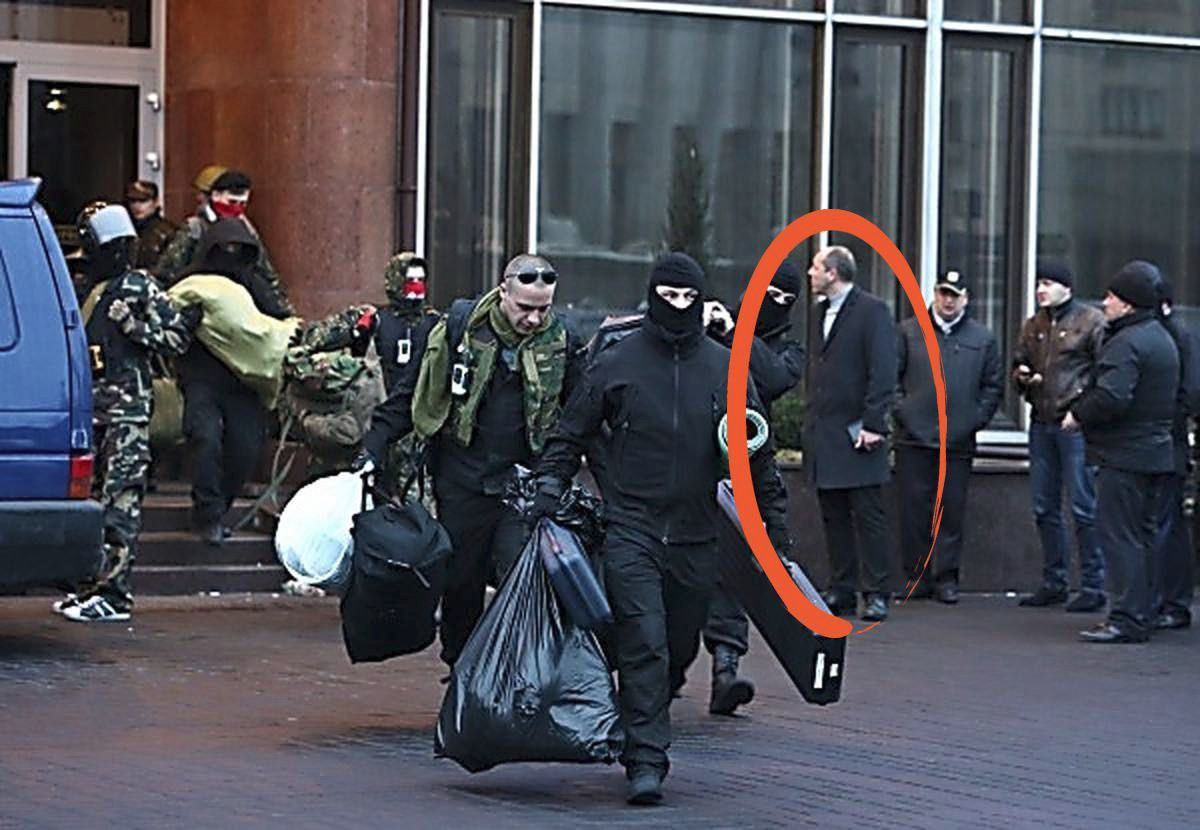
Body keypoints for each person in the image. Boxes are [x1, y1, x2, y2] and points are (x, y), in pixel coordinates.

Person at [533, 252, 791, 805]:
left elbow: (759, 457)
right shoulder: (617, 362)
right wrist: (550, 481)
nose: (678, 307)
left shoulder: (725, 369)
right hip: (633, 525)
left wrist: (776, 534)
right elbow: (570, 431)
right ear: (652, 296)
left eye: (687, 297)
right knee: (643, 639)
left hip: (698, 531)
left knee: (677, 643)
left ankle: (649, 704)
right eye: (668, 296)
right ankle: (645, 760)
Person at [360, 253, 583, 669]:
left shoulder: (563, 341)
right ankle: (460, 665)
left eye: (543, 310)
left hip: (524, 483)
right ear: (503, 293)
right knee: (461, 582)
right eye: (525, 308)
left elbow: (581, 415)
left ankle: (510, 670)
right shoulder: (460, 329)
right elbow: (412, 394)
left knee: (520, 578)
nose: (534, 319)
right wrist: (373, 447)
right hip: (463, 479)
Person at [55, 202, 201, 622]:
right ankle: (92, 587)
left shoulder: (138, 286)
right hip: (94, 413)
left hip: (127, 414)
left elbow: (178, 338)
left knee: (120, 503)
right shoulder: (93, 288)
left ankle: (115, 595)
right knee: (98, 503)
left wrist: (135, 328)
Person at [700, 260, 805, 715]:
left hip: (743, 460)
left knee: (731, 570)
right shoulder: (713, 327)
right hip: (689, 458)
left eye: (784, 299)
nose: (774, 305)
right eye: (769, 294)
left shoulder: (787, 350)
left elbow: (773, 379)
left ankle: (725, 668)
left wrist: (735, 333)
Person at [1065, 261, 1178, 643]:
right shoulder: (1161, 338)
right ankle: (1143, 611)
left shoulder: (1126, 343)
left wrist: (1078, 414)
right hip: (1155, 453)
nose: (1105, 302)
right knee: (1144, 536)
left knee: (1120, 536)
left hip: (1123, 455)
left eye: (1112, 297)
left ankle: (1126, 617)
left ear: (1128, 304)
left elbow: (1112, 396)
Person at [175, 219, 292, 545]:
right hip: (201, 379)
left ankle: (219, 506)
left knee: (245, 450)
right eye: (224, 249)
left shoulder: (255, 285)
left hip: (245, 384)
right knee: (205, 439)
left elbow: (279, 324)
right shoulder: (191, 284)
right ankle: (207, 514)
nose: (230, 256)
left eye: (237, 250)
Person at [895, 270, 1002, 603]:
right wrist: (906, 415)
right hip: (913, 440)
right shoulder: (909, 332)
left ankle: (946, 578)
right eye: (943, 293)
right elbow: (891, 380)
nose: (948, 301)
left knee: (951, 510)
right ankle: (916, 576)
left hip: (957, 442)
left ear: (966, 298)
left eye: (955, 295)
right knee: (913, 511)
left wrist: (971, 421)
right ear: (934, 294)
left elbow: (992, 388)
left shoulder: (982, 339)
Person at [805, 245, 897, 622]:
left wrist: (874, 423)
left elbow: (883, 369)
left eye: (816, 267)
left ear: (833, 273)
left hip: (858, 432)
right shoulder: (819, 312)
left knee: (868, 515)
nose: (810, 273)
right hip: (825, 430)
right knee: (834, 514)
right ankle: (841, 587)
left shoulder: (872, 311)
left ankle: (877, 592)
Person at [1012, 263, 1107, 611]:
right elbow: (1019, 362)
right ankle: (1055, 580)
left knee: (1084, 507)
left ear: (1067, 288)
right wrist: (1023, 376)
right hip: (1042, 420)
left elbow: (1102, 373)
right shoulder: (1034, 324)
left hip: (1074, 424)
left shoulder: (1090, 321)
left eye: (1048, 283)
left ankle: (1094, 585)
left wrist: (1081, 411)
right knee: (1043, 506)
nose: (1041, 289)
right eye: (1039, 282)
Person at [155, 169, 294, 315]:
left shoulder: (247, 230)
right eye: (232, 202)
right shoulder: (196, 228)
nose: (237, 208)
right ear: (215, 196)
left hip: (238, 306)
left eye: (243, 203)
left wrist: (285, 311)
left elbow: (265, 271)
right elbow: (168, 270)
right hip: (199, 304)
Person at [1147, 274, 1200, 630]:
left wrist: (1168, 419)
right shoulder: (1173, 336)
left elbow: (1190, 392)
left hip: (1167, 443)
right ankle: (1171, 601)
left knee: (1165, 525)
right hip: (1166, 441)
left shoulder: (1175, 339)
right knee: (1167, 524)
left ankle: (1168, 601)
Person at [374, 252, 441, 396]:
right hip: (386, 401)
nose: (417, 286)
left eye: (421, 280)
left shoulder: (434, 322)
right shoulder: (378, 320)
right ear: (397, 282)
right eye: (411, 280)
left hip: (420, 402)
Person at [124, 180, 178, 270]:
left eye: (143, 201)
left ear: (155, 202)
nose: (137, 206)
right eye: (133, 201)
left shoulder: (168, 232)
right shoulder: (126, 230)